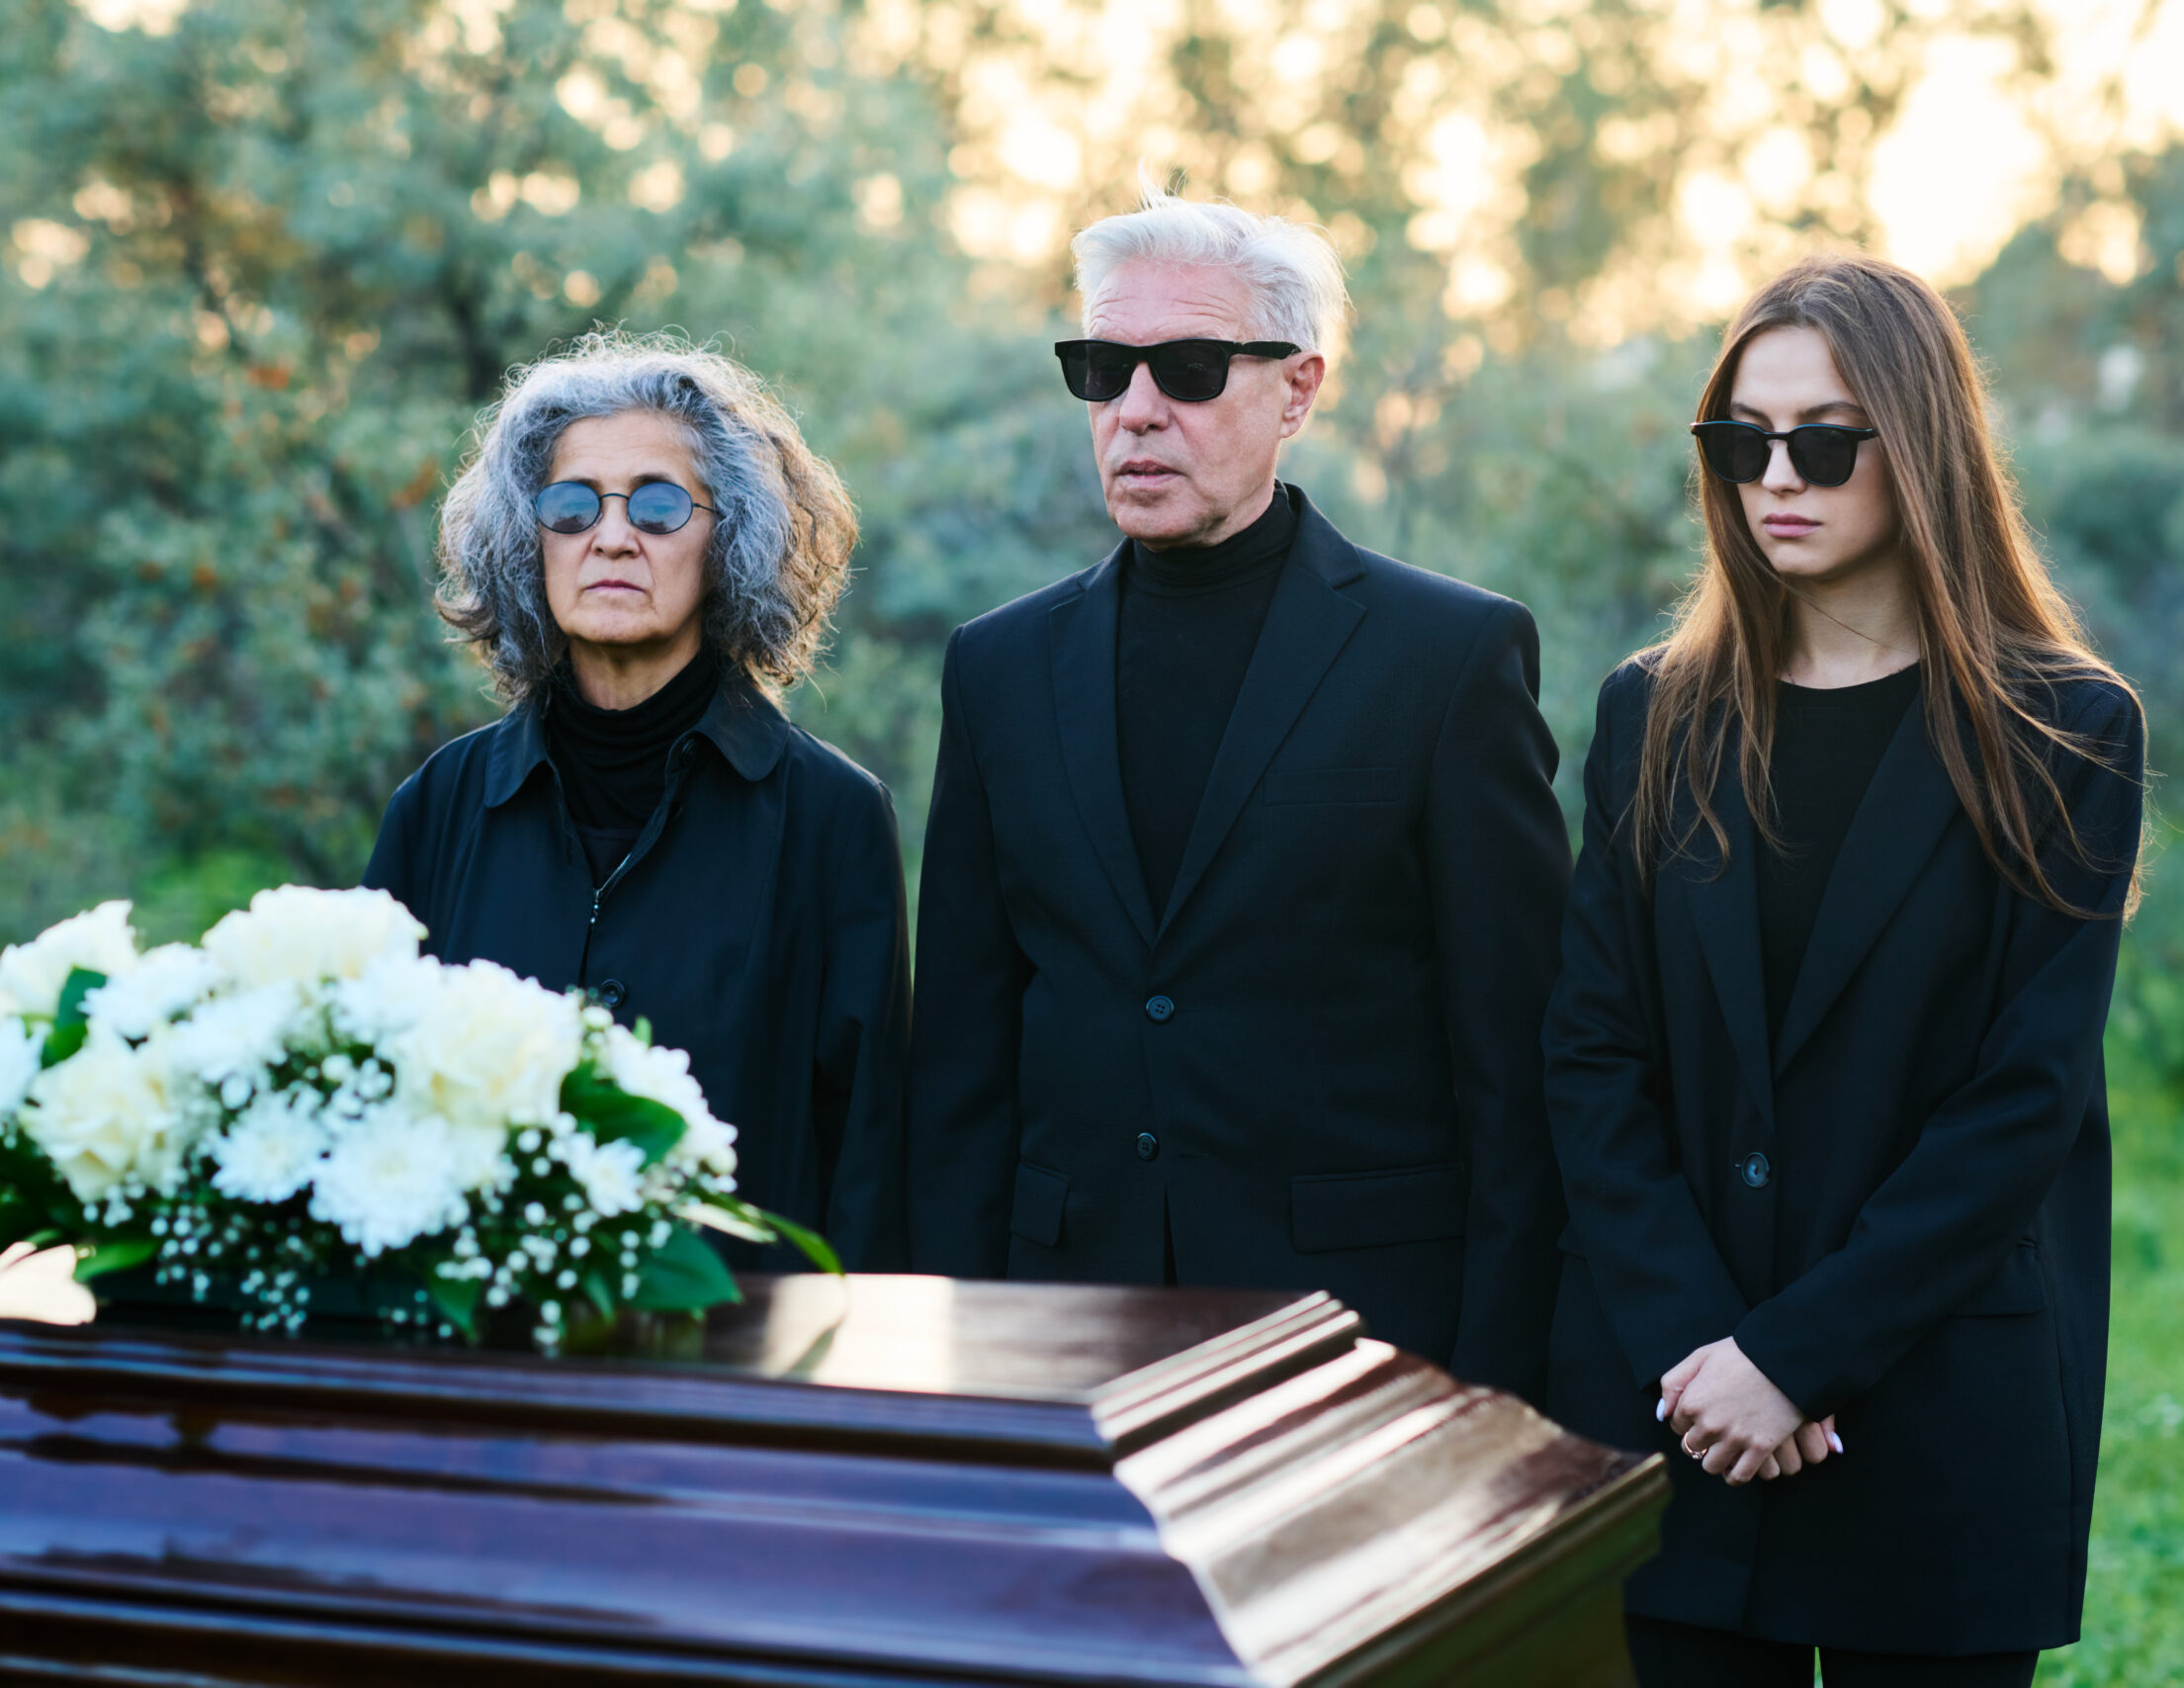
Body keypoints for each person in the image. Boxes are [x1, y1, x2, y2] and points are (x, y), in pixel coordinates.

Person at [1543, 252, 2146, 1686]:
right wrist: (1707, 1351)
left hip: (1937, 1408)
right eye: (1740, 441)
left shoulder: (2062, 731)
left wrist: (1797, 1358)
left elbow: (2022, 1100)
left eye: (1821, 442)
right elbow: (1592, 1050)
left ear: (1920, 445)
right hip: (1678, 1410)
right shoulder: (1652, 715)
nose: (1776, 479)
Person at [906, 183, 1571, 1400]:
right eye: (1103, 369)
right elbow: (960, 1069)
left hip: (1361, 1348)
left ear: (1297, 390)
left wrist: (1493, 1397)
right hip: (1060, 1342)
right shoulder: (996, 668)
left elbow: (1514, 1075)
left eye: (1190, 369)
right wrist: (951, 1386)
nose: (1136, 409)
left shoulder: (1447, 657)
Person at [363, 333, 907, 1271]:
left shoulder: (833, 819)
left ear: (728, 539)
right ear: (528, 539)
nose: (611, 537)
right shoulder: (437, 807)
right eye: (571, 506)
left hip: (738, 1345)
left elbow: (870, 1161)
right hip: (478, 1344)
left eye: (658, 506)